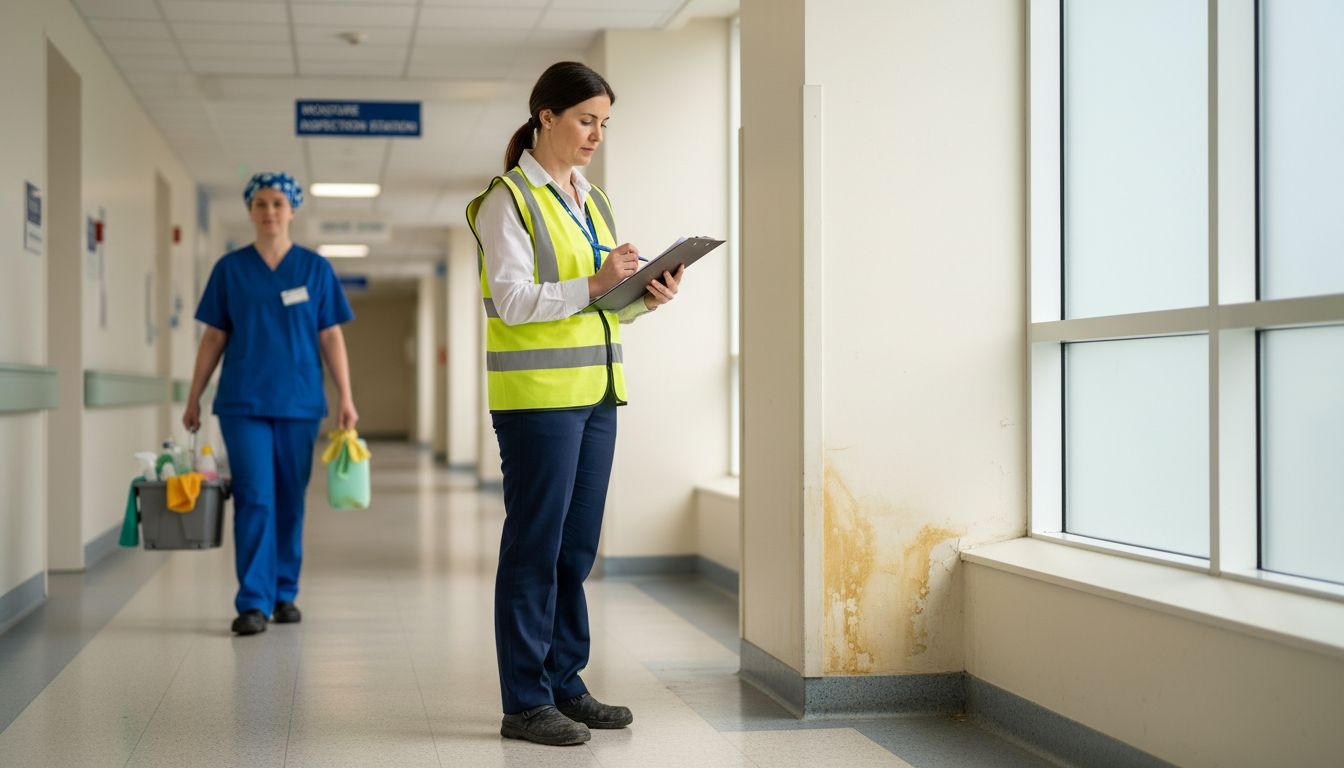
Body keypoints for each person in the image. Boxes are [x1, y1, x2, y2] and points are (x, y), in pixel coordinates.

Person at [466, 61, 684, 747]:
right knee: (534, 546)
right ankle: (524, 701)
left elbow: (598, 306)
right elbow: (512, 299)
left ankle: (565, 682)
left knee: (575, 549)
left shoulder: (594, 200)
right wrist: (593, 283)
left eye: (604, 124)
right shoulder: (508, 199)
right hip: (537, 400)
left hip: (594, 394)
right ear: (547, 116)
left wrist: (643, 297)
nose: (596, 134)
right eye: (587, 120)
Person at [183, 172, 358, 637]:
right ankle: (254, 602)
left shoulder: (314, 269)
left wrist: (346, 396)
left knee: (289, 500)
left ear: (292, 210)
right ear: (250, 211)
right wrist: (194, 395)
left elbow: (331, 335)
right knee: (255, 497)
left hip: (300, 402)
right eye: (260, 204)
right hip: (242, 401)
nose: (269, 212)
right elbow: (214, 336)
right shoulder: (230, 269)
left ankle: (285, 592)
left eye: (278, 204)